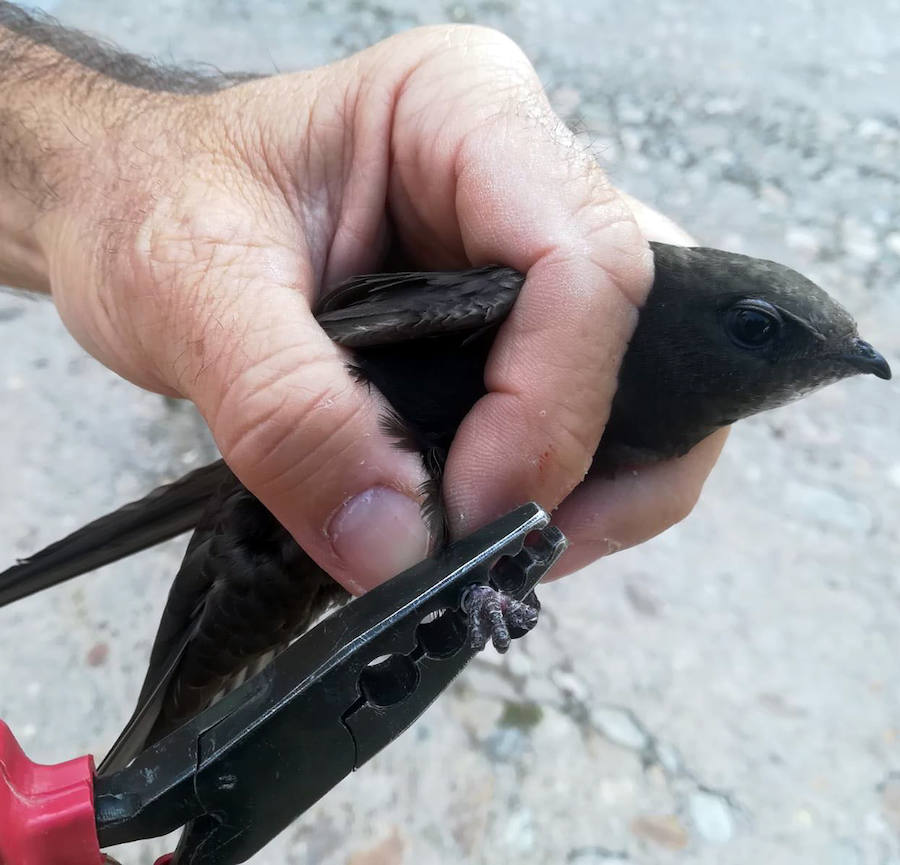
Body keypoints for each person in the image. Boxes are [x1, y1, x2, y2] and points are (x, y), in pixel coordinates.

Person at [0, 7, 726, 592]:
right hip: (260, 538)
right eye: (755, 329)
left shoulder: (621, 373)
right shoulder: (542, 298)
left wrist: (74, 175)